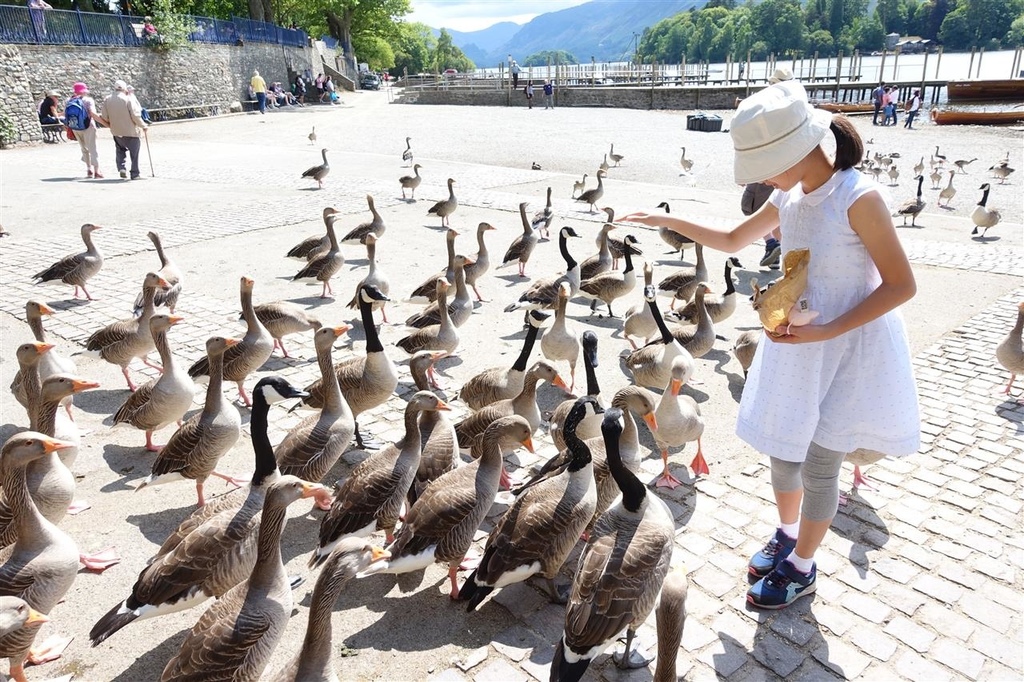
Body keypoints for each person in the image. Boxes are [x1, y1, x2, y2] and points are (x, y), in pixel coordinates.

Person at [620, 81, 919, 610]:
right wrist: (666, 219)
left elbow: (901, 286)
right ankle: (787, 534)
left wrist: (827, 329)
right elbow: (735, 240)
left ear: (801, 149)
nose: (759, 177)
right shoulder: (790, 194)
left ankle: (803, 565)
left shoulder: (859, 197)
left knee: (821, 464)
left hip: (846, 348)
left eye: (766, 162)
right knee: (784, 454)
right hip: (795, 344)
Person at [99, 79, 147, 180]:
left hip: (116, 131)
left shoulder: (107, 99)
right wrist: (143, 126)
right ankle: (135, 174)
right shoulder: (128, 99)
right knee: (134, 153)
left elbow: (104, 116)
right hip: (131, 132)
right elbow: (135, 115)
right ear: (125, 88)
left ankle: (121, 168)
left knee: (120, 150)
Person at [66, 82, 102, 178]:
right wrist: (106, 123)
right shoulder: (88, 100)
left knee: (84, 148)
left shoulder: (69, 100)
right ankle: (97, 171)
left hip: (76, 127)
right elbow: (93, 114)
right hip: (88, 126)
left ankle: (89, 169)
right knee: (92, 148)